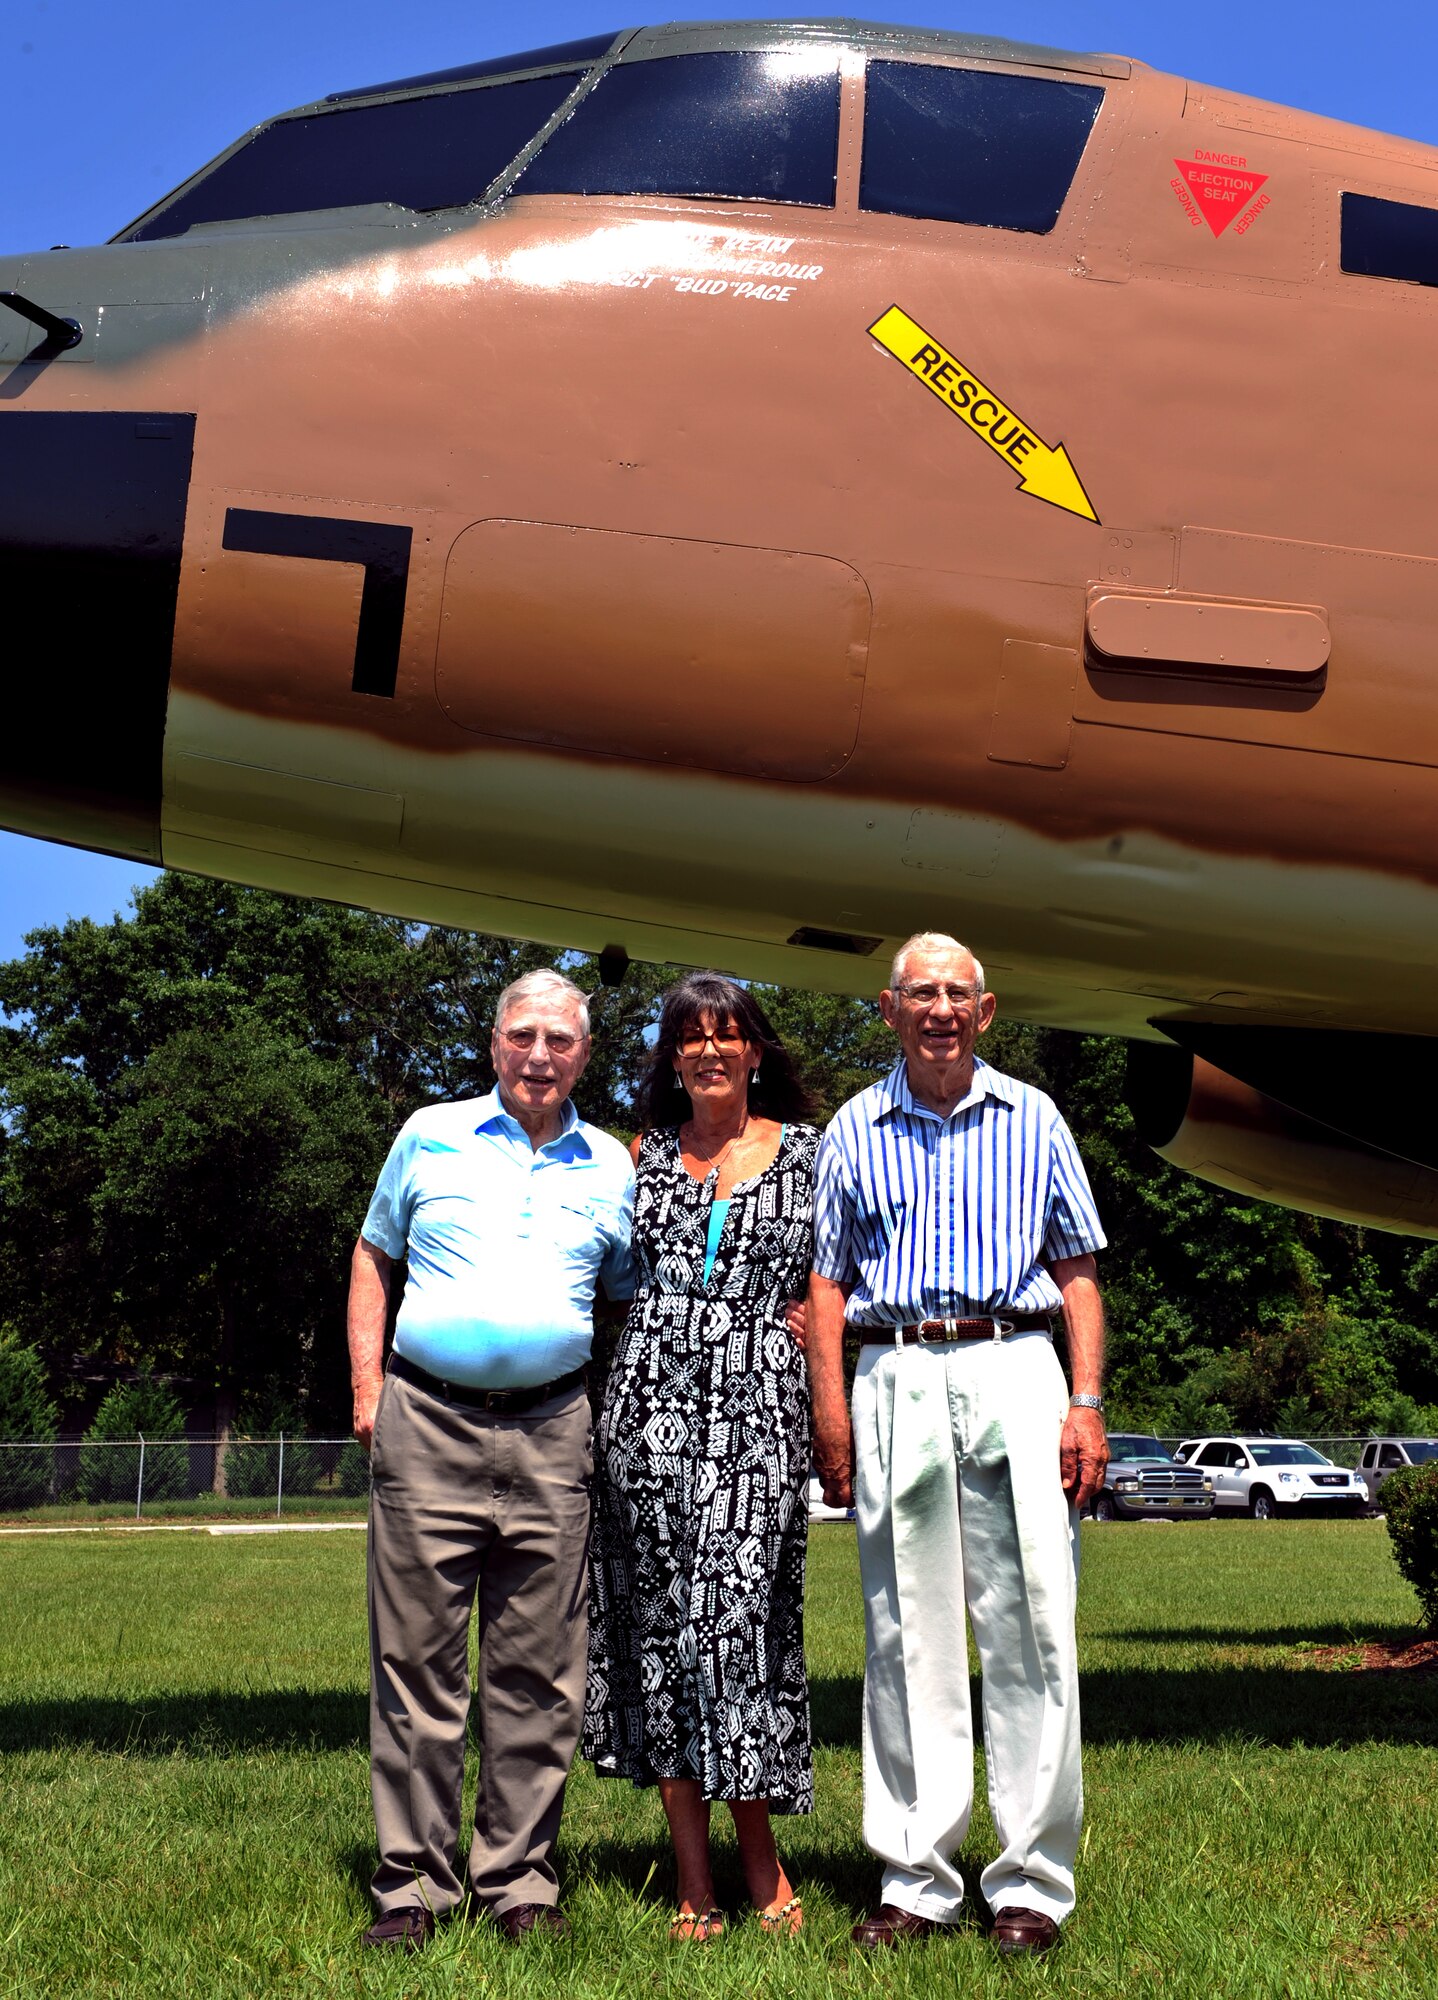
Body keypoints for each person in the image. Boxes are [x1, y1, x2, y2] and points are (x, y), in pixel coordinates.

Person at [807, 932, 1108, 1957]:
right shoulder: (852, 1124)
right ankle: (916, 1877)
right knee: (904, 1632)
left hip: (1014, 1359)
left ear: (985, 1012)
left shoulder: (1035, 1117)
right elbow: (826, 1283)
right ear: (885, 1009)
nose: (937, 1007)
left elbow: (1076, 1272)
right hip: (890, 1364)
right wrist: (832, 1413)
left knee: (1032, 1623)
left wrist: (1085, 1399)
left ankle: (1031, 1881)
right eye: (918, 992)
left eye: (956, 992)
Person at [347, 967, 634, 1951]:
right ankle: (411, 1889)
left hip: (555, 1430)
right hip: (426, 1419)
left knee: (540, 1672)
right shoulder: (428, 1131)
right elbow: (372, 1253)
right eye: (523, 1035)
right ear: (493, 1042)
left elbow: (623, 1299)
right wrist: (364, 1391)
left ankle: (518, 1881)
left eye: (560, 1039)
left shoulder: (612, 1164)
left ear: (584, 1053)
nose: (540, 1054)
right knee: (416, 1666)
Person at [584, 972, 820, 1940]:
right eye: (692, 1038)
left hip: (759, 1417)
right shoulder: (635, 1157)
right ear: (672, 1060)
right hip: (647, 1420)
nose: (711, 1051)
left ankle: (762, 1868)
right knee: (660, 1638)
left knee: (737, 1629)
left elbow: (843, 1271)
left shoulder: (809, 1153)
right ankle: (693, 1880)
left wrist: (821, 1350)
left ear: (755, 1053)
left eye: (728, 1036)